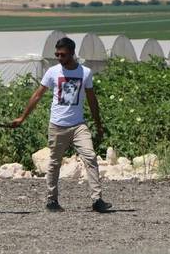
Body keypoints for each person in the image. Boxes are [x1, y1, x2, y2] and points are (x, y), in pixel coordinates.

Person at [11, 37, 112, 213]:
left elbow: (92, 99)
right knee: (54, 163)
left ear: (72, 53)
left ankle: (97, 200)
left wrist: (98, 124)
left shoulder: (85, 73)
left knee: (90, 157)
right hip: (57, 125)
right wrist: (22, 117)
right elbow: (37, 95)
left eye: (62, 54)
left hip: (79, 125)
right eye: (57, 54)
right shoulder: (52, 72)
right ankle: (52, 200)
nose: (59, 57)